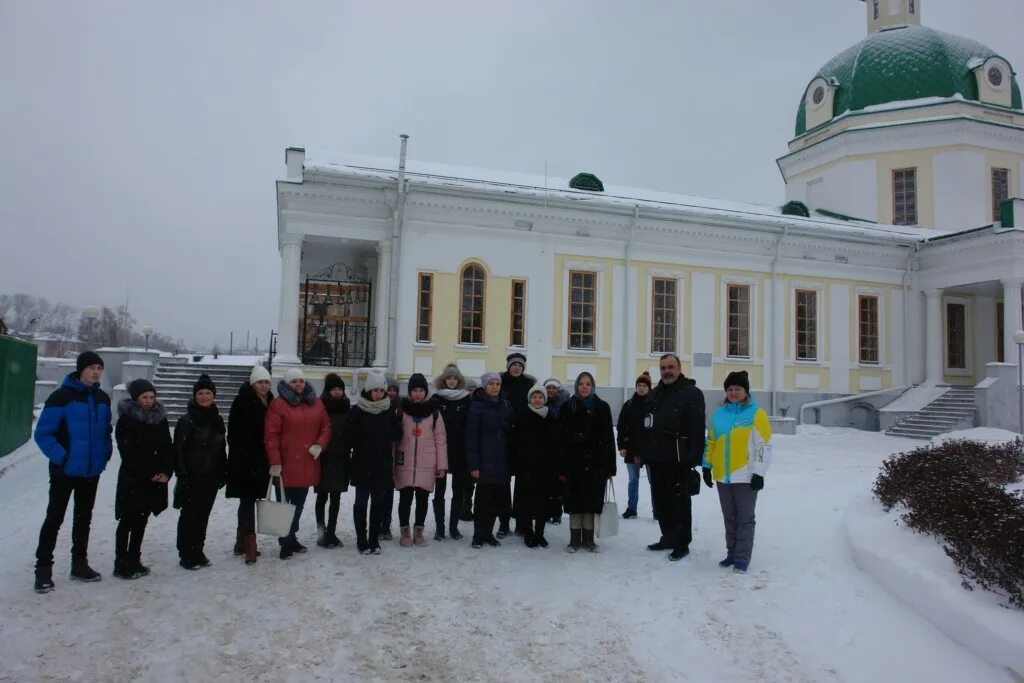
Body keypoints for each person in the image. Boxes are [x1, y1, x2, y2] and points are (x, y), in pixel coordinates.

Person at [33, 351, 113, 592]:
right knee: (54, 518)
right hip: (64, 471)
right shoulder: (61, 397)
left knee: (83, 519)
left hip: (90, 471)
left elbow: (106, 431)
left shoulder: (102, 398)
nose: (96, 372)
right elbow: (43, 434)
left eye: (99, 368)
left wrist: (105, 453)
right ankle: (43, 569)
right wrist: (63, 458)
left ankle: (79, 564)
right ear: (80, 370)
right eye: (91, 368)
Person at [703, 371, 772, 574]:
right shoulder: (719, 414)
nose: (733, 392)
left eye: (738, 389)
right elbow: (711, 442)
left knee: (745, 519)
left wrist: (759, 472)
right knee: (729, 518)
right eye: (730, 389)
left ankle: (742, 558)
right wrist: (706, 466)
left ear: (746, 391)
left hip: (746, 476)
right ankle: (731, 554)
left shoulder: (756, 414)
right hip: (722, 476)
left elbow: (763, 446)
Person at [644, 354, 707, 562]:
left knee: (679, 503)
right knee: (661, 502)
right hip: (656, 458)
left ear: (679, 369)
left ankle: (682, 543)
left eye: (671, 367)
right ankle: (667, 537)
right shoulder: (655, 393)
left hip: (680, 459)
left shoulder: (691, 393)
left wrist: (694, 457)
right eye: (663, 368)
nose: (667, 371)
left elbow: (697, 428)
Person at [264, 367, 331, 559]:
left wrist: (320, 444)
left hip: (307, 463)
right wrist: (275, 461)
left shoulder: (316, 403)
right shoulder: (278, 404)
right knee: (284, 506)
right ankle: (285, 542)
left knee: (298, 505)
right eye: (294, 381)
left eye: (301, 380)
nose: (298, 384)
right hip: (285, 464)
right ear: (287, 384)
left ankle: (291, 537)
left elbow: (326, 426)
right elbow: (271, 435)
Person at [112, 378, 173, 579]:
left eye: (151, 397)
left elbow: (167, 447)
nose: (148, 401)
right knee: (127, 521)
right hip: (134, 479)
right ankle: (121, 562)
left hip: (155, 480)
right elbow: (128, 452)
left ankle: (134, 558)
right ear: (135, 398)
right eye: (144, 397)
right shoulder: (127, 421)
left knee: (141, 520)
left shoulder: (159, 419)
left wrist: (166, 471)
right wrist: (149, 473)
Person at [558, 372, 616, 553]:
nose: (584, 387)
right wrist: (561, 467)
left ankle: (589, 540)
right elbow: (560, 438)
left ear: (593, 387)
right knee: (574, 503)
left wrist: (610, 467)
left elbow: (609, 438)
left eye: (588, 384)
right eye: (581, 383)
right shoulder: (567, 407)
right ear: (576, 386)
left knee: (591, 503)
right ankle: (574, 540)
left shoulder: (602, 407)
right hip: (573, 464)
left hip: (596, 464)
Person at [174, 374, 227, 570]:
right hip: (192, 476)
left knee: (203, 514)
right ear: (195, 396)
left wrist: (223, 470)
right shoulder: (187, 421)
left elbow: (221, 447)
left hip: (211, 475)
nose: (204, 396)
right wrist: (182, 475)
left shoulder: (217, 419)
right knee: (189, 515)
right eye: (201, 393)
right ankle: (186, 553)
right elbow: (178, 450)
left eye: (208, 393)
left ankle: (198, 549)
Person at [346, 371, 402, 554]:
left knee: (378, 503)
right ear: (368, 391)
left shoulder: (388, 410)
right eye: (375, 390)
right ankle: (361, 539)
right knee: (361, 502)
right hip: (362, 463)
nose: (378, 394)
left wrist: (396, 424)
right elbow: (349, 437)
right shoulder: (358, 410)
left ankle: (374, 539)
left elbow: (397, 434)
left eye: (381, 390)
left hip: (381, 464)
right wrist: (361, 431)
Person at [226, 365, 274, 565]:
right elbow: (234, 434)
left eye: (267, 382)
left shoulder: (271, 401)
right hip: (245, 462)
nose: (264, 386)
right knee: (247, 501)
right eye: (260, 382)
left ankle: (241, 542)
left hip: (262, 461)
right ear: (253, 383)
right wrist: (243, 454)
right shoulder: (242, 401)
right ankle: (249, 547)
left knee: (252, 501)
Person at [394, 373, 448, 547]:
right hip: (405, 462)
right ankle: (404, 532)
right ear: (409, 392)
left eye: (421, 390)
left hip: (427, 463)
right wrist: (391, 462)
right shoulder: (401, 411)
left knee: (422, 499)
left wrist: (442, 465)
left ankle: (418, 532)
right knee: (405, 499)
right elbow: (393, 439)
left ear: (426, 392)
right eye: (415, 390)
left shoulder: (434, 413)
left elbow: (441, 441)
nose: (418, 394)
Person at [465, 371, 513, 549]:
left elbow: (510, 433)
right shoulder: (476, 406)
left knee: (495, 501)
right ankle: (478, 535)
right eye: (491, 384)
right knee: (482, 501)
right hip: (483, 462)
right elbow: (471, 438)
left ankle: (489, 533)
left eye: (497, 384)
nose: (495, 387)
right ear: (484, 386)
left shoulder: (505, 405)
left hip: (501, 461)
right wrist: (474, 464)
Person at [511, 384, 559, 548]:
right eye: (534, 397)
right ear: (529, 399)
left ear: (545, 400)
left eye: (540, 397)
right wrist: (518, 464)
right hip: (526, 468)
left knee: (543, 503)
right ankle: (528, 533)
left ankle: (540, 533)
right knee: (526, 502)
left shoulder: (551, 417)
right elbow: (515, 443)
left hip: (545, 468)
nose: (537, 400)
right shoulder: (523, 416)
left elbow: (555, 443)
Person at [430, 362, 473, 540]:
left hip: (460, 449)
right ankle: (440, 528)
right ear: (444, 380)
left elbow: (471, 424)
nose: (452, 381)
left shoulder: (466, 399)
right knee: (440, 491)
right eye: (449, 378)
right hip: (441, 448)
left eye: (455, 378)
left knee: (458, 491)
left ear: (459, 381)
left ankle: (453, 527)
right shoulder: (436, 399)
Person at [499, 352, 535, 537]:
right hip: (503, 438)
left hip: (523, 439)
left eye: (520, 365)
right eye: (513, 364)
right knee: (503, 484)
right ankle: (504, 523)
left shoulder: (529, 385)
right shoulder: (499, 383)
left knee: (523, 484)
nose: (516, 367)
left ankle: (522, 522)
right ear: (508, 366)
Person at [315, 373, 350, 549]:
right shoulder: (320, 407)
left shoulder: (347, 407)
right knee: (322, 496)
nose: (337, 392)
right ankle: (321, 531)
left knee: (336, 496)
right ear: (328, 391)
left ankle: (332, 532)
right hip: (324, 456)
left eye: (339, 389)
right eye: (333, 389)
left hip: (341, 456)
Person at [616, 372, 655, 519]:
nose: (641, 388)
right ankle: (632, 508)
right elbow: (621, 426)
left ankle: (657, 510)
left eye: (644, 385)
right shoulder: (629, 405)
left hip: (651, 449)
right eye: (639, 385)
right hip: (631, 448)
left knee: (654, 481)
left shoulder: (655, 404)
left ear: (649, 388)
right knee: (633, 480)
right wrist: (621, 446)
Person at [543, 377, 570, 525]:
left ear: (559, 390)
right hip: (546, 447)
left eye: (554, 388)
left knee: (559, 483)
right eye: (548, 388)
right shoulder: (542, 402)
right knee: (547, 482)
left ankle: (557, 513)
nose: (551, 390)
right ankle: (546, 511)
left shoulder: (565, 404)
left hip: (561, 447)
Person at [378, 374, 401, 540]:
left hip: (394, 454)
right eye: (389, 389)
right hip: (380, 453)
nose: (391, 393)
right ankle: (378, 524)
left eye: (394, 390)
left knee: (389, 492)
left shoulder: (401, 408)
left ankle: (386, 526)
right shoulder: (378, 406)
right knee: (378, 492)